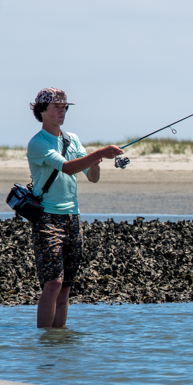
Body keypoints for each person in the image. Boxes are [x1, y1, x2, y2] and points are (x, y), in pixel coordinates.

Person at [26, 88, 123, 328]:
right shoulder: (38, 143)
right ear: (42, 111)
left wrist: (95, 161)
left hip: (72, 217)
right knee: (53, 284)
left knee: (66, 286)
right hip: (47, 218)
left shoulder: (72, 139)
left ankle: (59, 338)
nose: (62, 111)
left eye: (64, 107)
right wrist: (100, 152)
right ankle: (45, 340)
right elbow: (67, 168)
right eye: (56, 107)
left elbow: (92, 177)